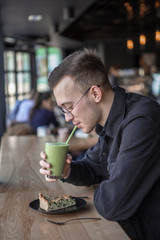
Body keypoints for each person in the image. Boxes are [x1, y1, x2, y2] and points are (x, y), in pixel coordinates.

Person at [39, 48, 160, 240]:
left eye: (69, 107)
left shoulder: (141, 122)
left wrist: (105, 186)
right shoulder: (108, 120)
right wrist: (66, 171)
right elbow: (93, 167)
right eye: (64, 110)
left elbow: (113, 204)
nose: (69, 118)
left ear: (95, 93)